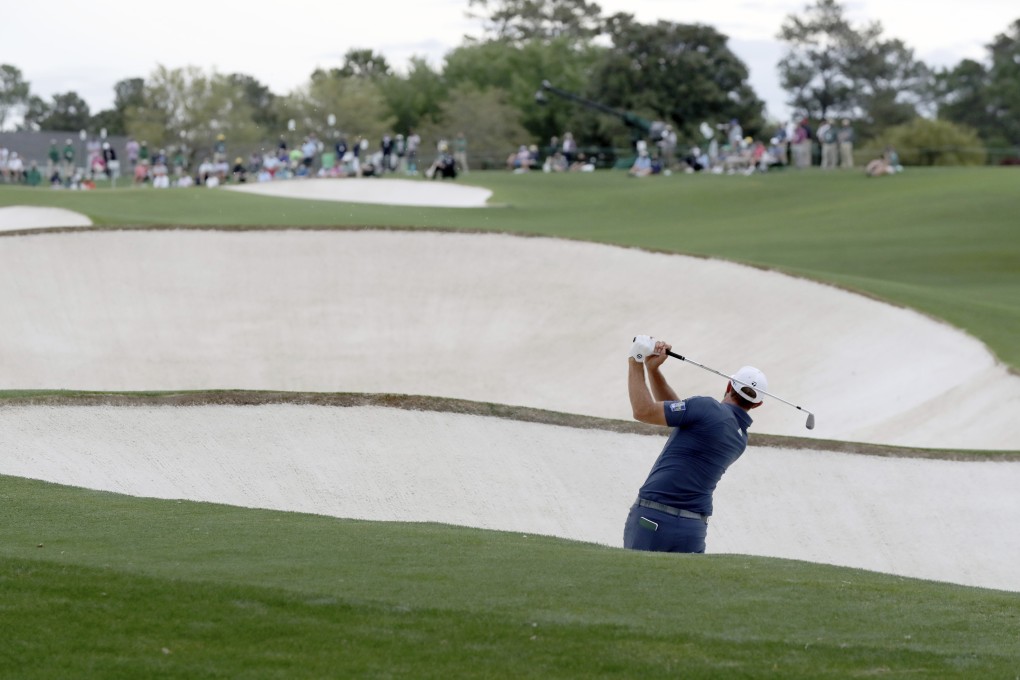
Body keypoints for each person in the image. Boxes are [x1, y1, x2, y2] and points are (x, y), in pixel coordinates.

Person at [623, 336, 767, 553]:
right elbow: (681, 414)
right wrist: (653, 371)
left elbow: (643, 411)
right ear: (757, 405)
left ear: (729, 385)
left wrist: (636, 360)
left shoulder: (707, 408)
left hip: (654, 518)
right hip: (693, 528)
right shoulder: (740, 438)